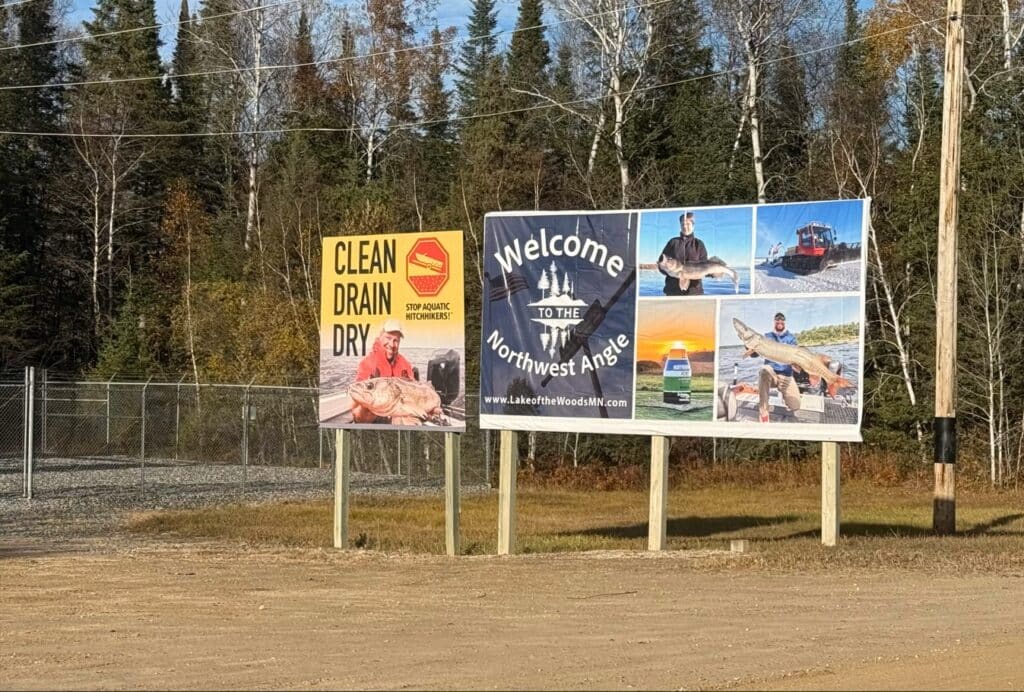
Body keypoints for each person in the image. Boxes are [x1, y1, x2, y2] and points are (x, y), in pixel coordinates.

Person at [351, 319, 417, 423]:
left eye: (396, 340)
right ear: (380, 337)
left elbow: (414, 394)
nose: (392, 344)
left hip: (400, 414)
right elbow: (357, 411)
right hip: (374, 419)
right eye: (388, 338)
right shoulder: (367, 363)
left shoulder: (405, 364)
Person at [755, 312, 801, 423]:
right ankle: (764, 411)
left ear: (784, 322)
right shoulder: (767, 337)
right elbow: (754, 354)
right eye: (777, 319)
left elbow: (796, 359)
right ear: (774, 322)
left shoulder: (791, 338)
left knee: (795, 406)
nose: (780, 321)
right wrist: (749, 346)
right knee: (764, 370)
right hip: (772, 375)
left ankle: (786, 396)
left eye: (782, 319)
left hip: (786, 376)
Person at [659, 211, 708, 296]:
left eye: (688, 224)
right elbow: (661, 262)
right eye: (682, 224)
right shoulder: (672, 242)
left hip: (695, 293)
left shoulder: (699, 244)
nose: (685, 226)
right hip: (672, 292)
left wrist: (714, 274)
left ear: (693, 226)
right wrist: (664, 268)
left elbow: (706, 266)